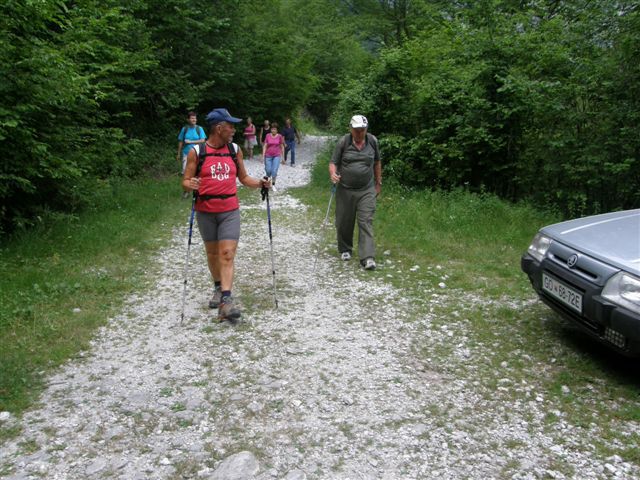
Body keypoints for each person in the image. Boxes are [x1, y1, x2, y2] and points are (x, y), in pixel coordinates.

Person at [182, 108, 271, 322]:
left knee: (227, 254)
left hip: (229, 210)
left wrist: (261, 183)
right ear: (219, 128)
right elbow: (185, 182)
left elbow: (244, 178)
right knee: (212, 254)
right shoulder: (197, 152)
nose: (233, 129)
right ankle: (218, 287)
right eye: (230, 126)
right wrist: (190, 184)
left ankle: (226, 300)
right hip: (205, 210)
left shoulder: (234, 149)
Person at [329, 114, 382, 270]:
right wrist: (333, 173)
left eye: (362, 130)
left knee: (365, 221)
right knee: (344, 221)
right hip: (345, 189)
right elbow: (333, 162)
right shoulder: (343, 142)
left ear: (366, 129)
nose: (360, 133)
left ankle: (367, 257)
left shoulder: (372, 141)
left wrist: (378, 183)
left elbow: (377, 162)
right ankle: (345, 249)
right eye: (357, 130)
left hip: (366, 189)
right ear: (351, 129)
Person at [177, 112, 206, 198]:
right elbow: (181, 141)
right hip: (186, 153)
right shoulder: (184, 129)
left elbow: (203, 140)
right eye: (192, 118)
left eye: (195, 118)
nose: (194, 120)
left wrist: (191, 142)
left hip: (198, 153)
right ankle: (187, 191)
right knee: (186, 173)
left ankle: (200, 190)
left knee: (199, 172)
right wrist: (178, 153)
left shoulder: (199, 129)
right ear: (188, 119)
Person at [262, 122, 285, 190]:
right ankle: (267, 183)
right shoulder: (268, 135)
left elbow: (282, 146)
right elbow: (265, 146)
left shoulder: (279, 136)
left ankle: (273, 184)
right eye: (272, 129)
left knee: (274, 171)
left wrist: (283, 157)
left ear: (277, 130)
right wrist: (263, 156)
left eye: (275, 129)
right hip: (268, 155)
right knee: (268, 171)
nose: (273, 130)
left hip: (276, 156)